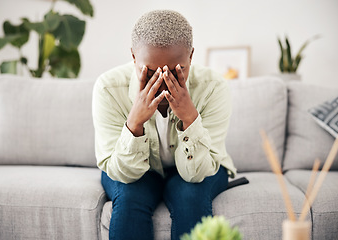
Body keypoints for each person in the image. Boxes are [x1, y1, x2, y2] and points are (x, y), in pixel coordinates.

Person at [92, 9, 237, 240]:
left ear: (190, 57)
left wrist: (190, 118)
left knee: (190, 196)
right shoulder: (108, 88)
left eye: (175, 71)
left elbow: (197, 173)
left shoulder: (213, 87)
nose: (162, 82)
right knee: (130, 197)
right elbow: (121, 172)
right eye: (149, 71)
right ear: (133, 57)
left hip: (200, 165)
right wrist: (135, 122)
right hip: (133, 168)